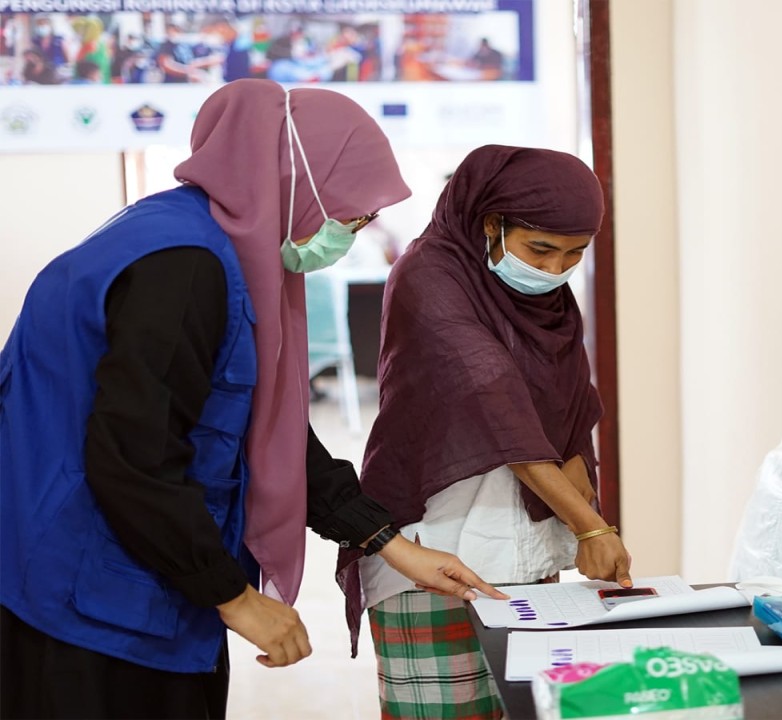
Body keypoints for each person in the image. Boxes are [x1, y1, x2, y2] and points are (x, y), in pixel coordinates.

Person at [0, 79, 504, 719]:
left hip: (146, 570)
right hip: (87, 590)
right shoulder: (182, 267)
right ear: (299, 182)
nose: (351, 233)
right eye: (353, 215)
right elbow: (132, 460)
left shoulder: (219, 245)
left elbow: (268, 426)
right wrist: (235, 597)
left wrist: (391, 544)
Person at [337, 145, 633, 719]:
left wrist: (584, 528)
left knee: (534, 710)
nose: (553, 271)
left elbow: (571, 413)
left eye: (574, 255)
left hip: (532, 558)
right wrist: (594, 529)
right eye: (540, 249)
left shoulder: (546, 297)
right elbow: (499, 407)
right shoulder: (428, 276)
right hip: (439, 556)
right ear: (490, 222)